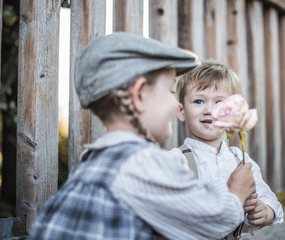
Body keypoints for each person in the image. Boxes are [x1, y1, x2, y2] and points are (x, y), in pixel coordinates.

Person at [29, 32, 256, 240]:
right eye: (169, 91)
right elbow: (212, 220)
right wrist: (236, 193)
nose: (173, 103)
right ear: (138, 95)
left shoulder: (94, 161)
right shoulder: (142, 163)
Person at [171, 61, 284, 239]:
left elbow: (266, 195)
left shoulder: (240, 159)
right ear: (181, 111)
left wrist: (265, 211)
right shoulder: (176, 161)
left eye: (219, 103)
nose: (209, 110)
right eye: (199, 101)